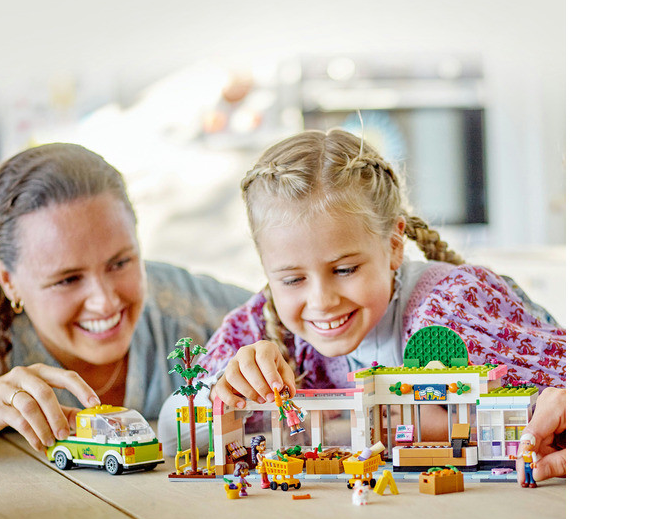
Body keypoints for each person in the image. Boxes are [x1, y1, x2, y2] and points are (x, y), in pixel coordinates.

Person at [199, 129, 566, 441]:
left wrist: (454, 427)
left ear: (393, 245)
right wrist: (226, 391)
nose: (321, 301)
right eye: (292, 279)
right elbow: (175, 432)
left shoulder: (448, 312)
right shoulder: (267, 327)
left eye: (345, 270)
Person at [0, 143, 250, 452]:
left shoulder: (188, 307)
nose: (105, 302)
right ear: (8, 279)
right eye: (68, 279)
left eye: (120, 263)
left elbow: (285, 313)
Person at [515, 387, 566, 484]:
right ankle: (527, 480)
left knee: (532, 474)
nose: (525, 445)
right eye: (524, 443)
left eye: (527, 443)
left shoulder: (531, 453)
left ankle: (531, 481)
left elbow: (534, 458)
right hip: (526, 465)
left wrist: (535, 464)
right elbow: (519, 456)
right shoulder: (526, 453)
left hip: (530, 466)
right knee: (527, 474)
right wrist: (514, 457)